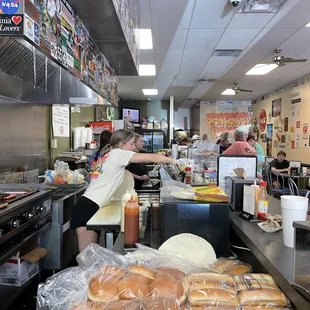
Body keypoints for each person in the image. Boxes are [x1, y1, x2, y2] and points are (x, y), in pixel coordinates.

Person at [71, 129, 176, 252]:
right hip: (88, 207)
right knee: (87, 258)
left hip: (90, 205)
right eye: (131, 143)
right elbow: (153, 157)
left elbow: (122, 173)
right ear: (121, 144)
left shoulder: (111, 154)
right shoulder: (118, 153)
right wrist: (175, 161)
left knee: (92, 258)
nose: (133, 147)